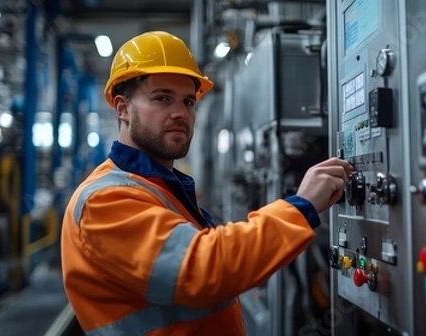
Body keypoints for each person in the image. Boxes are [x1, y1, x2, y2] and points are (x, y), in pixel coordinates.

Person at [61, 31, 352, 336]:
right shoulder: (104, 200)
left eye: (188, 101)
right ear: (122, 108)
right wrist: (301, 207)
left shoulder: (158, 188)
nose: (180, 113)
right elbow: (204, 267)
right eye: (162, 98)